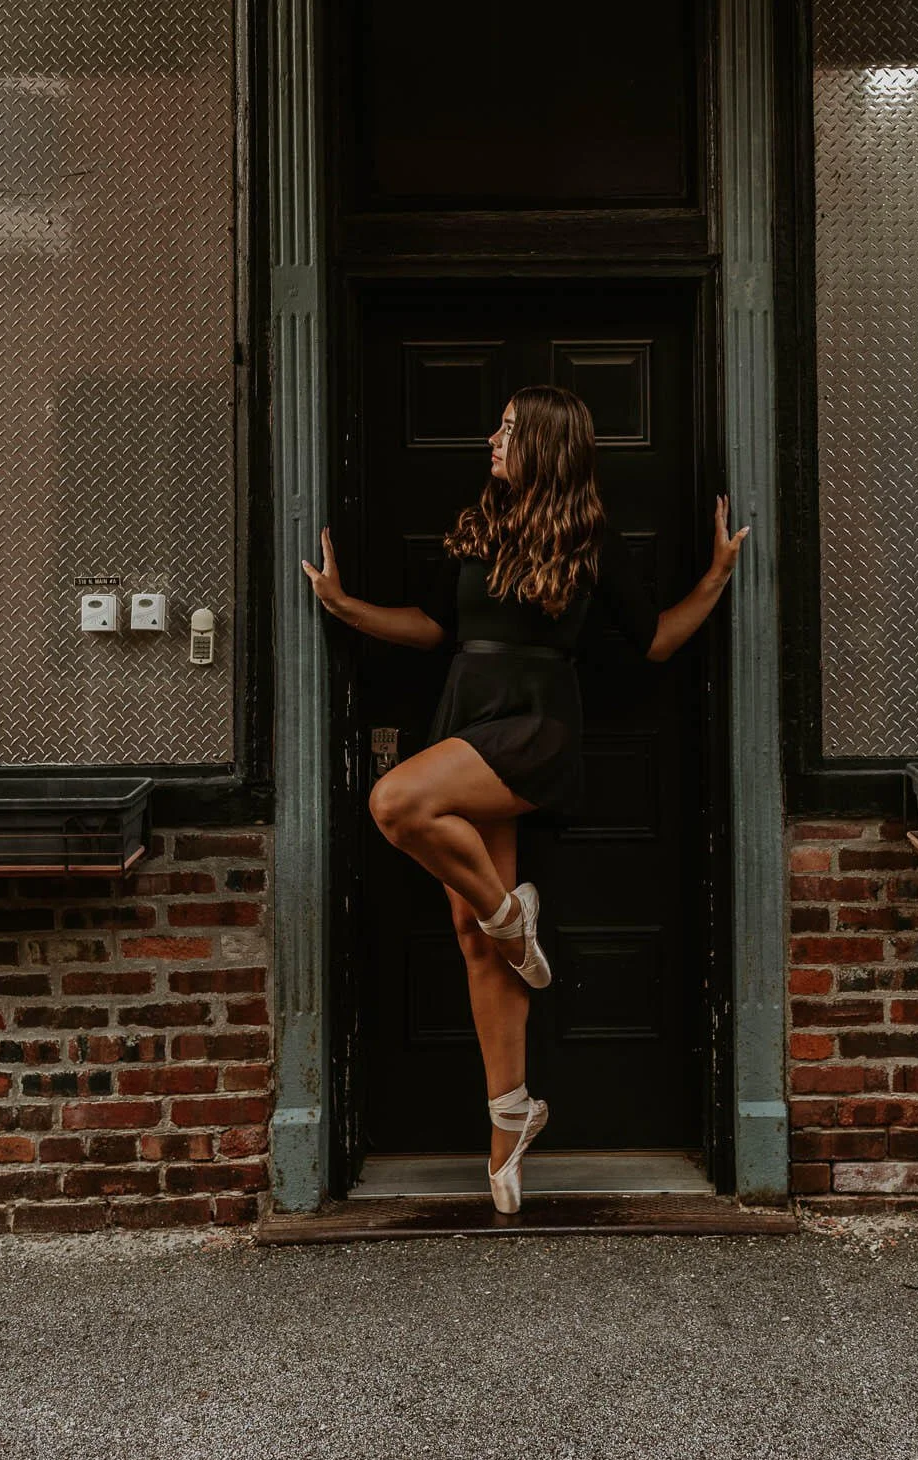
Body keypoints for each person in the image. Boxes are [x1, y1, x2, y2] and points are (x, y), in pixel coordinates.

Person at [301, 384, 748, 1213]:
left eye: (508, 429)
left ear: (545, 443)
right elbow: (435, 628)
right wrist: (342, 605)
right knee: (475, 945)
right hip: (465, 715)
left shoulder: (590, 542)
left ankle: (514, 913)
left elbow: (652, 641)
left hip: (536, 724)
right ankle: (512, 1124)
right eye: (498, 426)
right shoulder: (478, 525)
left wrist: (717, 575)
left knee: (396, 803)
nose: (491, 439)